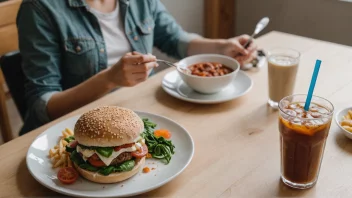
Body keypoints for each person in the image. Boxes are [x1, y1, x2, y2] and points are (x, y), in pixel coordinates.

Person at [17, 0, 257, 135]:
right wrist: (109, 79)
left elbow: (175, 39)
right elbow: (43, 106)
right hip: (70, 131)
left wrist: (221, 46)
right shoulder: (39, 8)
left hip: (135, 116)